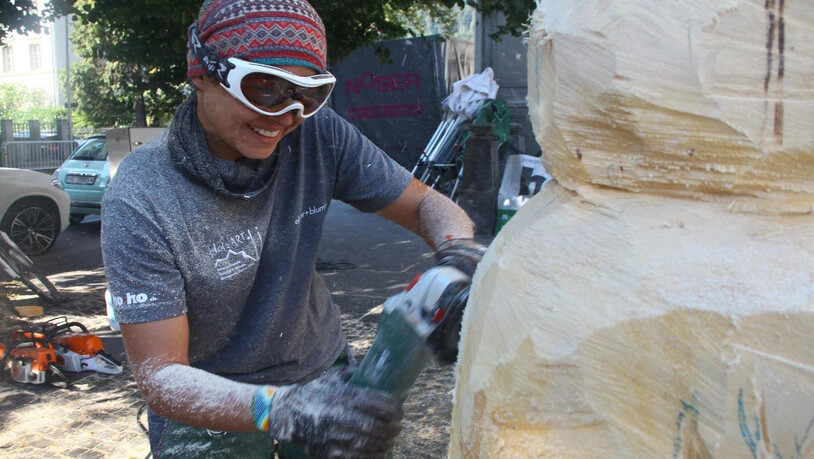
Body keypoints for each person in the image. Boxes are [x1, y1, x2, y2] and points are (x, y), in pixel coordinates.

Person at [101, 0, 485, 457]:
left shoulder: (315, 132)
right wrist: (282, 409)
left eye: (310, 94)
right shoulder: (142, 195)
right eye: (265, 89)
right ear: (201, 73)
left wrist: (459, 254)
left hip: (321, 375)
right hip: (211, 402)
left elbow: (425, 203)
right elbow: (161, 377)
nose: (287, 115)